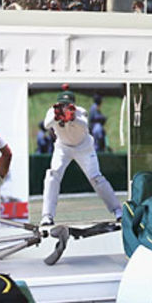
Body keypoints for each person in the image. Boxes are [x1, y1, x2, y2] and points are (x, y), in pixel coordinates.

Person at [39, 89, 122, 228]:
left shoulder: (80, 112)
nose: (65, 107)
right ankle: (47, 216)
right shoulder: (52, 112)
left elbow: (84, 125)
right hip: (63, 148)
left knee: (96, 178)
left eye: (68, 104)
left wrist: (72, 118)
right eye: (62, 104)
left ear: (73, 105)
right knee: (52, 175)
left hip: (84, 148)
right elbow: (47, 124)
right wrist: (57, 117)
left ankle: (118, 211)